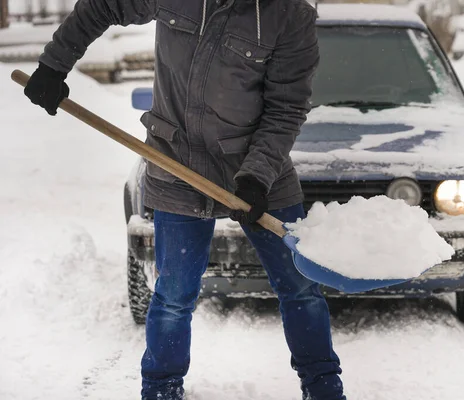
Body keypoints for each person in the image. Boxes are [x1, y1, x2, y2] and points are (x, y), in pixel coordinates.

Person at [22, 0, 346, 399]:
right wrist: (55, 64)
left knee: (300, 287)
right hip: (174, 161)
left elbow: (286, 109)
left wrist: (256, 177)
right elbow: (104, 5)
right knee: (174, 294)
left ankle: (324, 388)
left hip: (259, 170)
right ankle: (161, 390)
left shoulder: (289, 15)